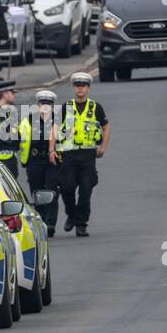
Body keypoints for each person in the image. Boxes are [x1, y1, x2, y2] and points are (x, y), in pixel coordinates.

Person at [51, 72, 108, 237]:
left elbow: (106, 127)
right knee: (67, 187)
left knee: (85, 188)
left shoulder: (96, 107)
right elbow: (54, 129)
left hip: (88, 154)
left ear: (88, 88)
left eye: (83, 86)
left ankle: (81, 223)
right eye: (77, 86)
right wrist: (52, 150)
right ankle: (72, 214)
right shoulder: (66, 107)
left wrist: (103, 147)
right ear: (74, 88)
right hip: (68, 154)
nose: (80, 89)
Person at [20, 89, 60, 236]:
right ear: (38, 105)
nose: (45, 106)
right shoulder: (29, 120)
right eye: (43, 103)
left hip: (53, 161)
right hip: (34, 161)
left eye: (49, 103)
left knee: (51, 190)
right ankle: (41, 221)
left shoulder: (58, 120)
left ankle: (50, 222)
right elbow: (21, 139)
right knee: (37, 192)